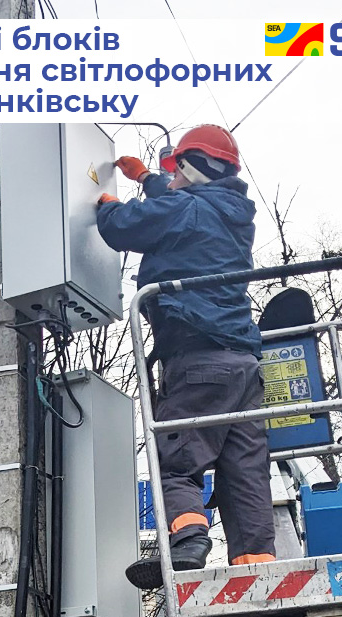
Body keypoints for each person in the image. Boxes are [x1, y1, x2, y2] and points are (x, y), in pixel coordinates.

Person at [95, 124, 276, 585]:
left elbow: (123, 227)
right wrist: (147, 179)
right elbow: (180, 202)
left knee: (175, 456)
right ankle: (258, 569)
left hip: (198, 359)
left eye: (177, 171)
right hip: (243, 366)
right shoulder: (231, 213)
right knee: (244, 474)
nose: (168, 178)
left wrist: (105, 203)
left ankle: (188, 538)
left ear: (194, 170)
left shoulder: (186, 209)